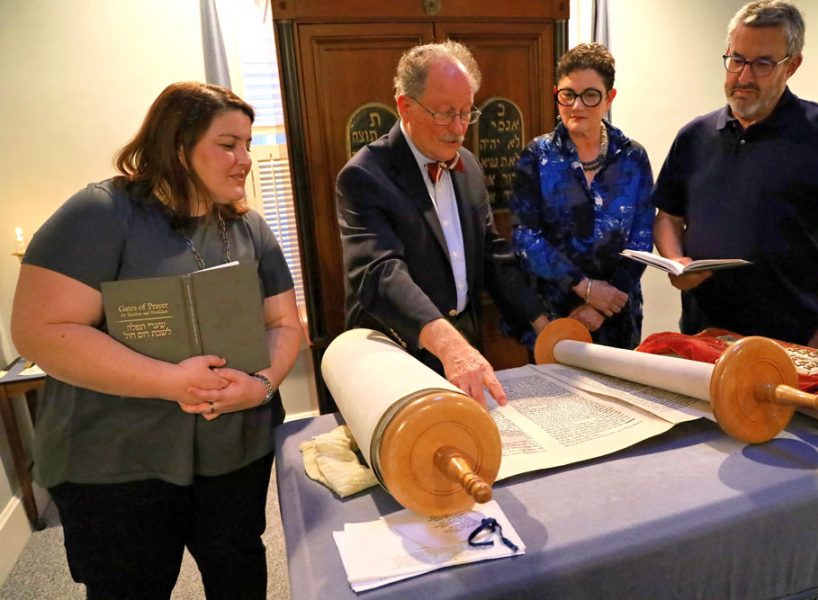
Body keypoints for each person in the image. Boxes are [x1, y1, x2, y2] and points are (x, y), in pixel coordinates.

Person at [11, 82, 303, 599]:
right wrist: (172, 381)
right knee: (130, 587)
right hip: (117, 462)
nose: (244, 160)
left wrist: (260, 386)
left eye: (248, 145)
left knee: (238, 571)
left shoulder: (248, 226)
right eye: (228, 144)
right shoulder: (100, 214)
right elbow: (43, 331)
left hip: (232, 452)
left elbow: (283, 323)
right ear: (177, 145)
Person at [651, 0, 818, 357]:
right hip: (702, 337)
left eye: (762, 64)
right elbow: (668, 216)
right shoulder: (693, 136)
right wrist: (675, 258)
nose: (743, 77)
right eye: (737, 60)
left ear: (792, 66)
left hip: (793, 343)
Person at [335, 40, 548, 406]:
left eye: (467, 112)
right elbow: (381, 273)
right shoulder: (364, 176)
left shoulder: (468, 165)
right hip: (397, 351)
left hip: (464, 341)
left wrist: (542, 324)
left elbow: (492, 255)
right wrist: (449, 344)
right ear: (405, 105)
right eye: (446, 113)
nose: (459, 127)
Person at [510, 43, 655, 350]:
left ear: (609, 98)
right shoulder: (536, 156)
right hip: (554, 313)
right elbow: (526, 236)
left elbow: (641, 239)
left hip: (617, 313)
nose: (577, 106)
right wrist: (585, 288)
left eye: (590, 95)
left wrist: (602, 303)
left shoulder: (633, 157)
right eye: (567, 95)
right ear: (556, 94)